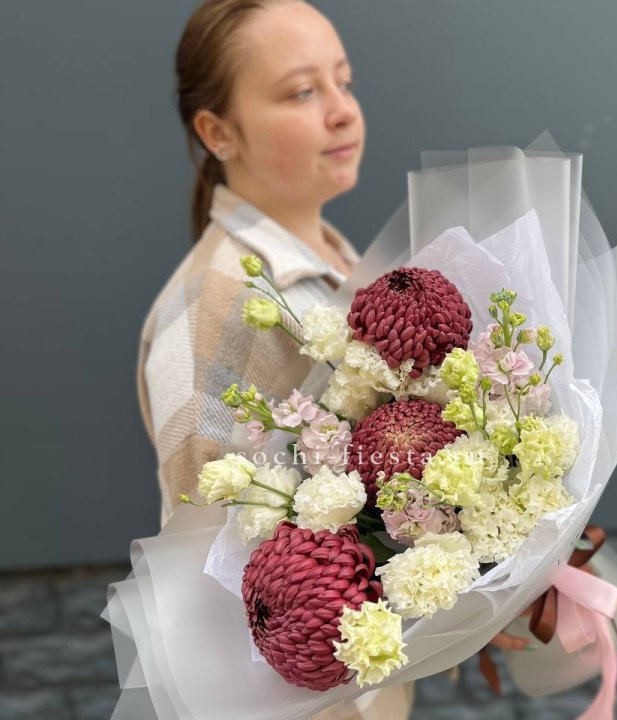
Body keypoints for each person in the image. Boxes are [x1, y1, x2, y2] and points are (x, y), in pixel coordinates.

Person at [136, 1, 414, 717]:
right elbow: (207, 578)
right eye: (302, 92)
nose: (342, 112)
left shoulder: (337, 262)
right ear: (218, 132)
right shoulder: (212, 308)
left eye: (343, 82)